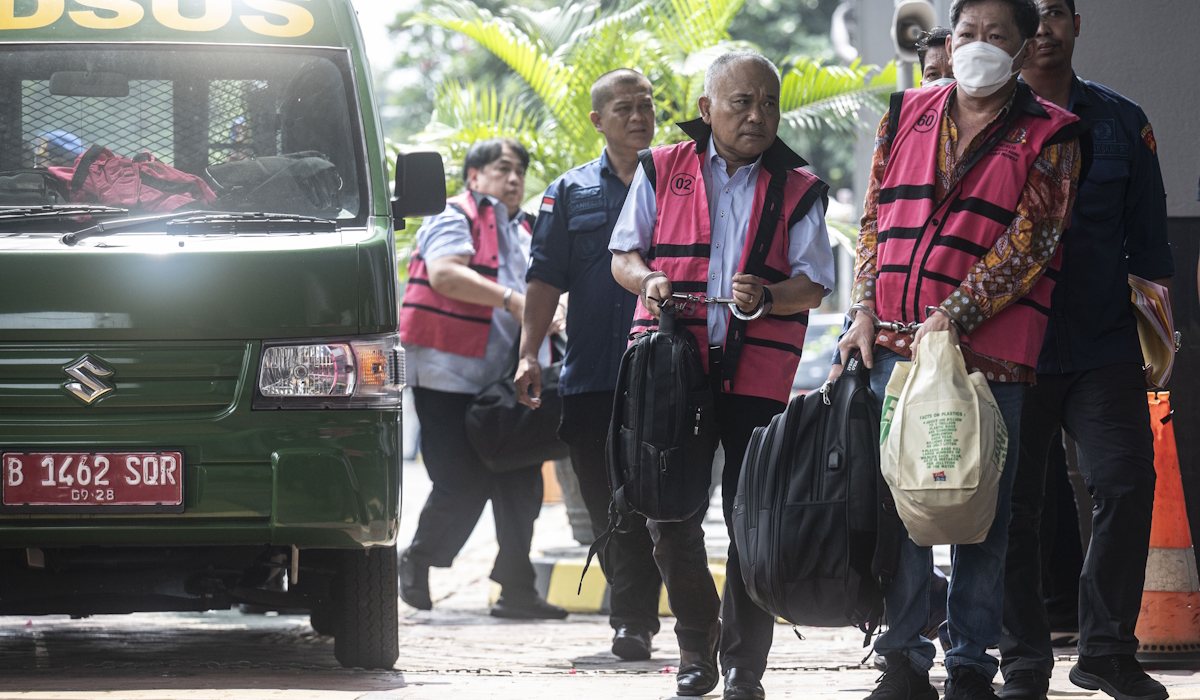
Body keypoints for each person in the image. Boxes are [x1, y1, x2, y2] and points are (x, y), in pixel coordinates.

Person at [837, 0, 1086, 697]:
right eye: (967, 33)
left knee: (982, 516)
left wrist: (956, 310)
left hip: (992, 359)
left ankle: (973, 665)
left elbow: (1033, 241)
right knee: (905, 511)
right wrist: (862, 307)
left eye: (995, 34)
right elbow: (874, 217)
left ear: (1022, 44)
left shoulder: (1053, 132)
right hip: (895, 346)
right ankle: (905, 660)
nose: (977, 45)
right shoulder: (906, 111)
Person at [610, 50, 836, 700]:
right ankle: (696, 646)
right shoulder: (661, 168)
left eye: (770, 102)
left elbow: (813, 284)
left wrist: (766, 296)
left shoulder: (799, 187)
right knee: (668, 517)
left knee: (753, 523)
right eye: (743, 102)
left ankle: (744, 667)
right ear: (708, 110)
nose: (759, 115)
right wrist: (648, 279)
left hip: (756, 383)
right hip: (668, 375)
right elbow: (623, 254)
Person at [999, 1, 1175, 698]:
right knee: (1014, 507)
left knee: (1127, 484)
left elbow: (1151, 239)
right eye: (1031, 14)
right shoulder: (986, 119)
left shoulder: (1121, 120)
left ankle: (1106, 650)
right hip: (1011, 346)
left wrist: (1161, 342)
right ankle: (1023, 662)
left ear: (1078, 23)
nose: (1043, 26)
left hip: (1103, 347)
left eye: (1056, 12)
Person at [514, 69, 665, 660]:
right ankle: (633, 614)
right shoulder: (569, 192)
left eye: (646, 106)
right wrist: (529, 353)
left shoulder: (681, 183)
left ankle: (643, 617)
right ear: (600, 120)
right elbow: (545, 279)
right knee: (607, 500)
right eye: (624, 108)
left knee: (657, 501)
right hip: (591, 378)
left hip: (664, 377)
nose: (638, 116)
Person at [397, 138, 569, 621]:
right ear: (474, 176)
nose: (514, 179)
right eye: (502, 169)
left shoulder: (527, 229)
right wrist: (517, 302)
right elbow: (445, 275)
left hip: (509, 376)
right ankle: (418, 558)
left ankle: (516, 590)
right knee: (460, 481)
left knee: (521, 484)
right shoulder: (454, 215)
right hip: (448, 376)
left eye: (519, 171)